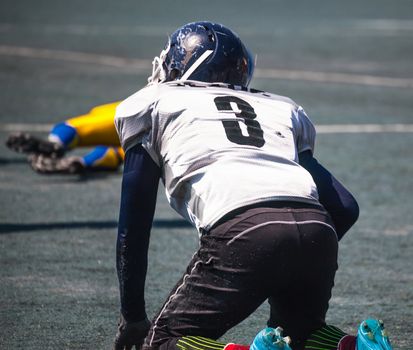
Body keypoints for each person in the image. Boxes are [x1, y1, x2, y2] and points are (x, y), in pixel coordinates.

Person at [113, 22, 392, 350]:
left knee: (161, 342)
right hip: (317, 228)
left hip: (244, 230)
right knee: (298, 335)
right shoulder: (279, 106)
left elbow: (134, 223)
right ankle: (357, 346)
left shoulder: (155, 102)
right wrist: (288, 261)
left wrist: (132, 316)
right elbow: (344, 206)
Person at [5, 101, 124, 174]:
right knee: (125, 151)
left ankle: (56, 143)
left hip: (133, 112)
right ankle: (81, 162)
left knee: (75, 127)